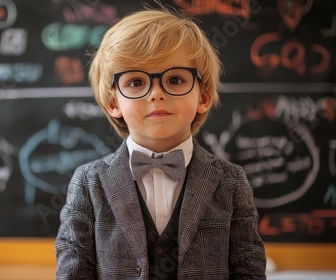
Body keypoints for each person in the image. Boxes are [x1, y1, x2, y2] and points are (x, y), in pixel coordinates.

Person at [55, 4, 266, 280]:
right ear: (112, 102)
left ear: (202, 97)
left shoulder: (231, 181)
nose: (155, 93)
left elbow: (249, 270)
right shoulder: (87, 183)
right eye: (135, 82)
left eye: (175, 79)